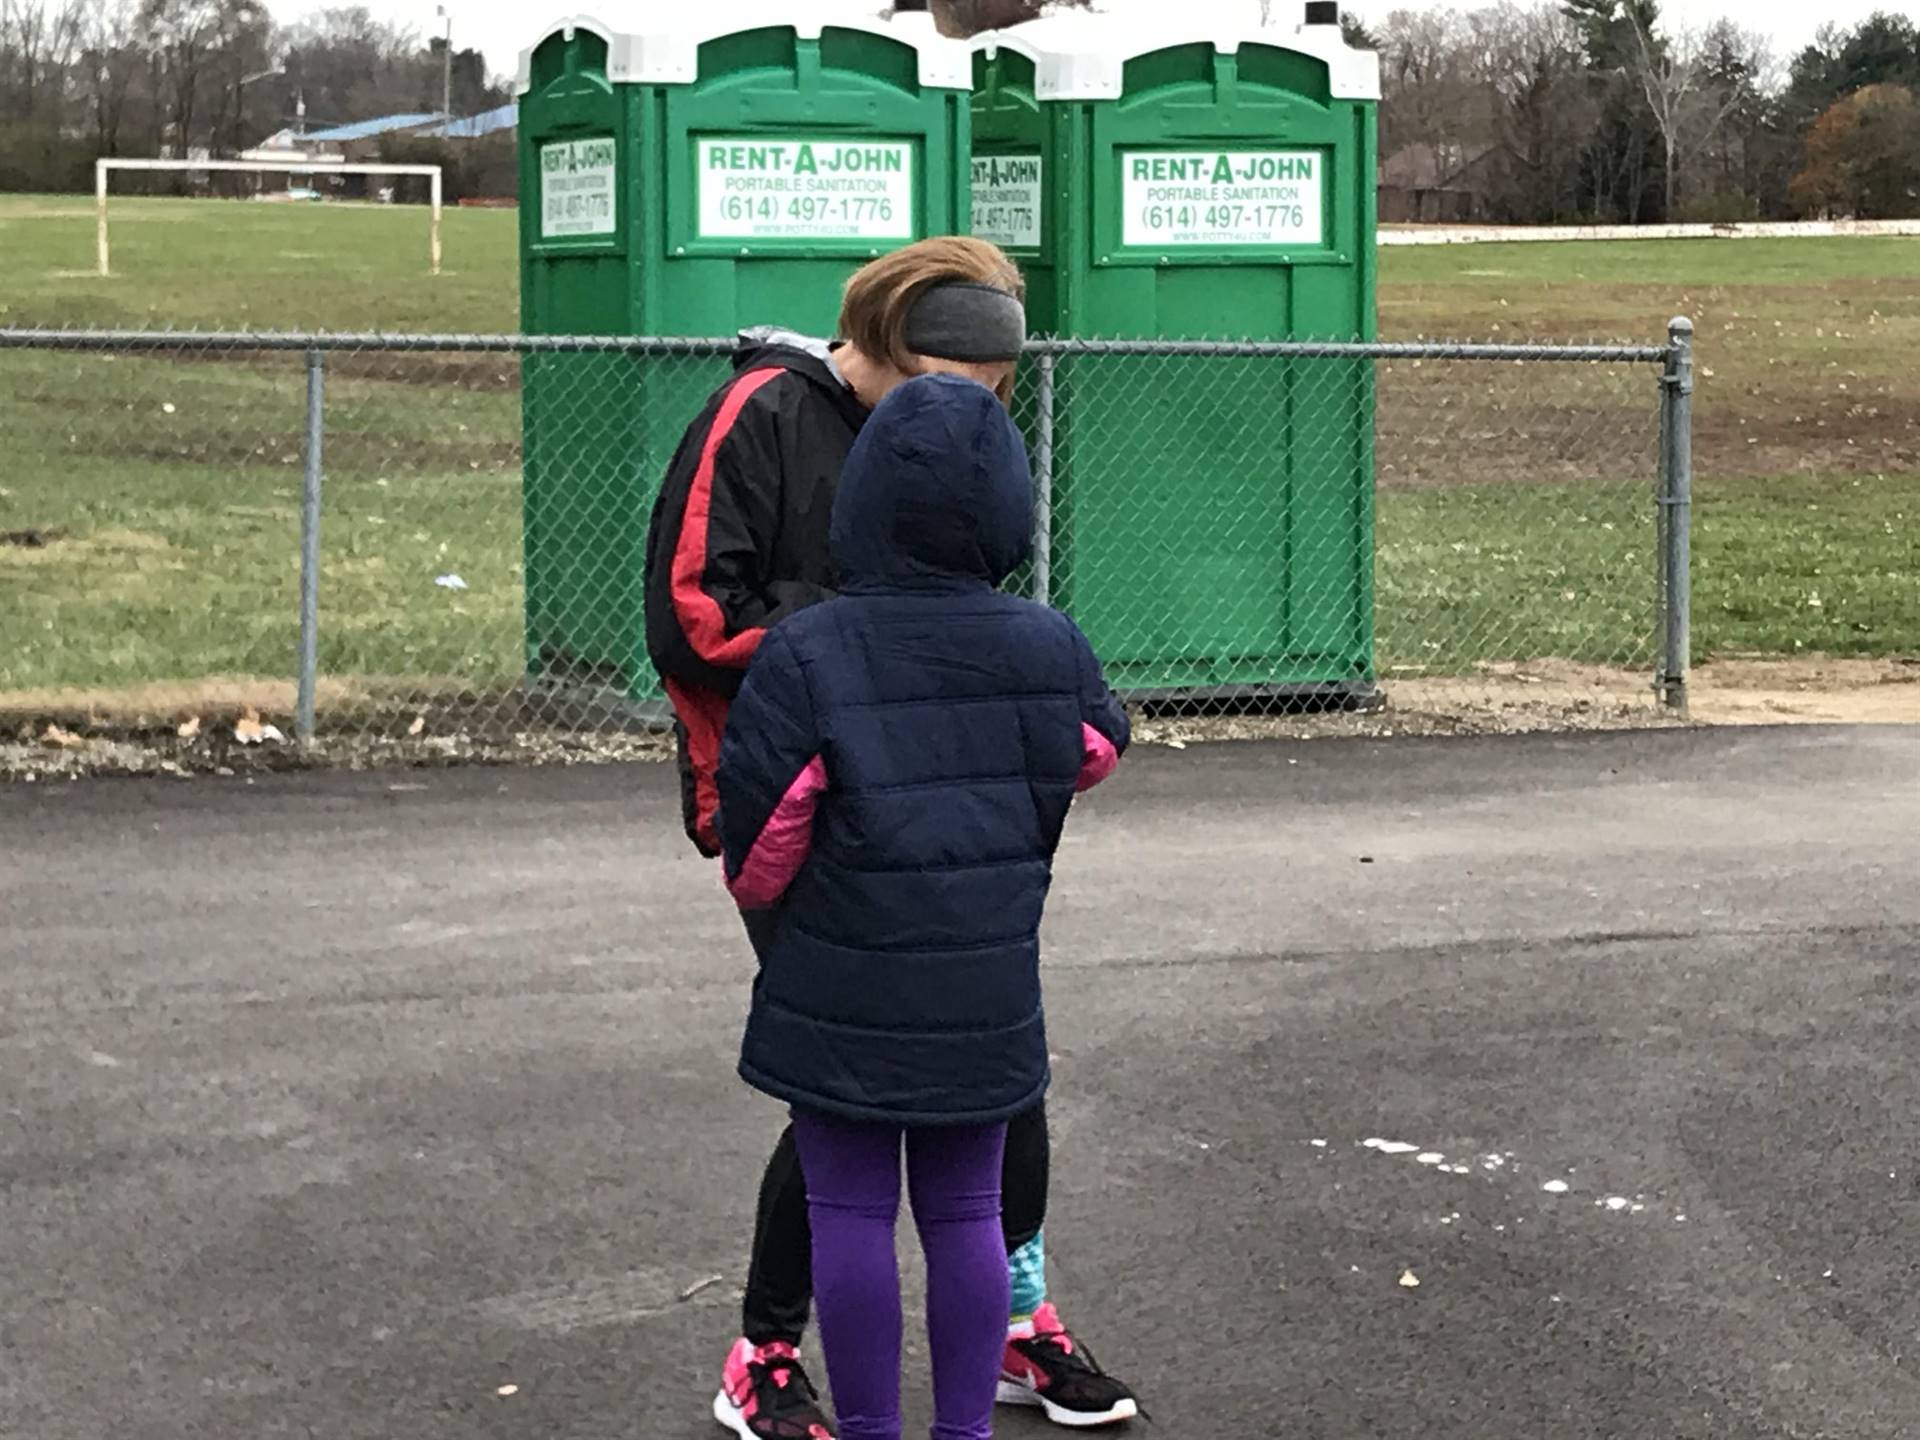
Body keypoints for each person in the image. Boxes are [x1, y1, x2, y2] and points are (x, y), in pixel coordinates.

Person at [642, 239, 1142, 1440]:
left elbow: (1058, 708)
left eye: (988, 399)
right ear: (882, 340)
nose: (959, 416)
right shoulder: (762, 410)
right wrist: (868, 666)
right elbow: (690, 618)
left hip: (933, 802)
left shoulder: (949, 446)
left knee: (976, 1078)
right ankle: (765, 1345)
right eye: (942, 381)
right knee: (852, 1088)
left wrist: (939, 674)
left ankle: (1015, 1322)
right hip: (789, 801)